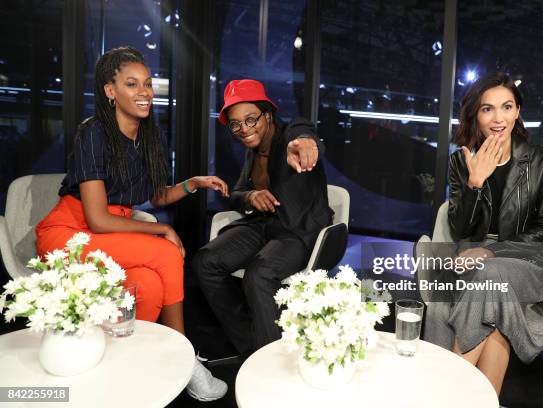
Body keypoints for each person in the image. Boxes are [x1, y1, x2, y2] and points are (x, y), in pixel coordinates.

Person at [35, 46, 228, 402]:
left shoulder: (149, 137)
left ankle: (128, 367)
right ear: (110, 91)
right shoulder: (93, 133)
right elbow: (97, 217)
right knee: (167, 254)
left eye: (148, 84)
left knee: (149, 285)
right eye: (132, 83)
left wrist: (193, 184)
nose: (144, 92)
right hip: (70, 234)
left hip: (111, 231)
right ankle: (185, 360)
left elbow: (155, 196)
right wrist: (162, 229)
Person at [421, 72, 543, 395]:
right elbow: (460, 231)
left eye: (507, 107)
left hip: (525, 260)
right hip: (471, 260)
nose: (498, 118)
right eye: (487, 109)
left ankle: (442, 391)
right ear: (475, 114)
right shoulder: (462, 161)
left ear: (517, 112)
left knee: (489, 273)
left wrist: (492, 252)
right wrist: (475, 184)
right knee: (494, 310)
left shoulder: (542, 161)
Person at [192, 79, 333, 353]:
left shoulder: (289, 135)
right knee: (205, 261)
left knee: (258, 275)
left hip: (296, 229)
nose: (244, 129)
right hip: (262, 227)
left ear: (267, 115)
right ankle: (253, 345)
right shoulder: (253, 152)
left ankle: (268, 359)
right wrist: (249, 196)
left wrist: (305, 143)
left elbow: (303, 131)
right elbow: (237, 193)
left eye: (251, 119)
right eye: (235, 124)